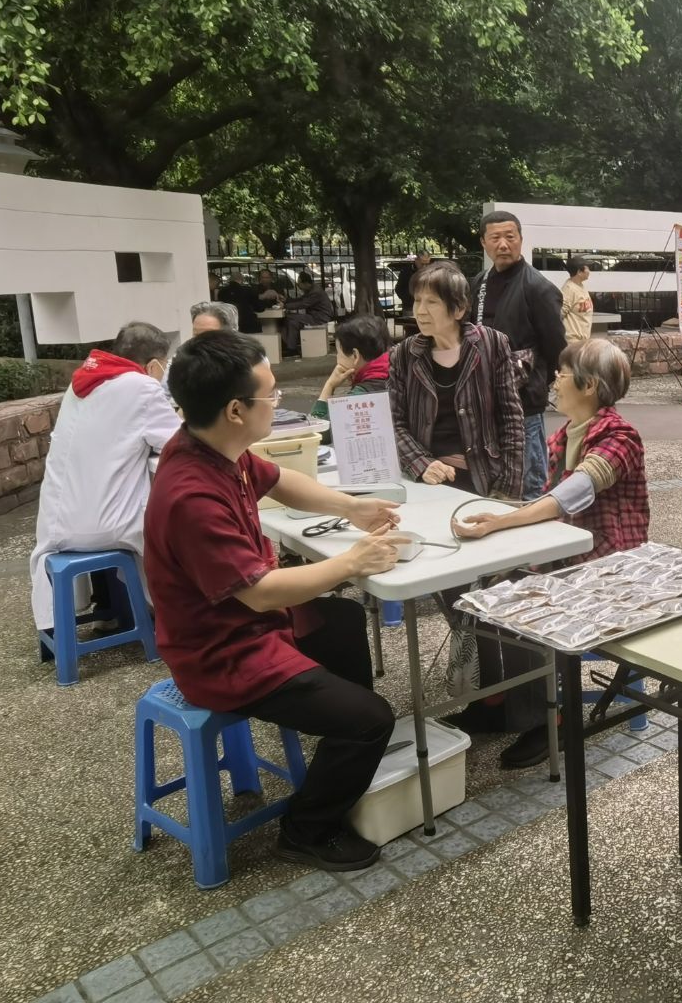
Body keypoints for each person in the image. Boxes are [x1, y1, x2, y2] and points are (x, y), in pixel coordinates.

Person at [147, 330, 406, 871]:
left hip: (249, 625)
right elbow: (260, 594)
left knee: (342, 620)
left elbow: (280, 479)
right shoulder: (191, 494)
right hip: (222, 653)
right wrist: (352, 562)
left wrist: (350, 507)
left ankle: (339, 744)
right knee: (373, 719)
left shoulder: (218, 448)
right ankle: (306, 829)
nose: (278, 401)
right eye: (270, 395)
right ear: (236, 409)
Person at [30, 323, 180, 635]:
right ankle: (180, 622)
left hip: (58, 522)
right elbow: (176, 442)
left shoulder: (82, 382)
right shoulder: (141, 386)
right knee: (178, 530)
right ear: (154, 365)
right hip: (104, 525)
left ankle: (108, 610)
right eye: (164, 366)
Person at [455, 338, 647, 562]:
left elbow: (576, 490)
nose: (554, 384)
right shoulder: (561, 438)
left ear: (589, 386)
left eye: (562, 375)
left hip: (612, 565)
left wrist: (500, 522)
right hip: (570, 555)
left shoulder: (621, 437)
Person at [391, 260, 524, 497]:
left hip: (484, 476)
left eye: (432, 302)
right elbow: (394, 422)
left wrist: (507, 489)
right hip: (427, 479)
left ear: (459, 309)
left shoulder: (492, 343)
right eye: (418, 300)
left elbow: (511, 420)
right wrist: (421, 463)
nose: (420, 310)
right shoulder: (404, 354)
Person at [470, 211, 567, 500]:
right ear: (484, 243)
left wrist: (536, 382)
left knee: (529, 480)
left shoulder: (538, 288)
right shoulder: (478, 284)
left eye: (510, 237)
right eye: (495, 238)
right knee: (494, 478)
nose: (503, 244)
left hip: (523, 402)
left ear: (521, 240)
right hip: (484, 398)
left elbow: (556, 348)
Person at [312, 315, 390, 422]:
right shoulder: (402, 374)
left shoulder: (356, 400)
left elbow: (317, 427)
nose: (337, 359)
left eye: (338, 353)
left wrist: (329, 386)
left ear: (355, 355)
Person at [280, 271, 333, 356]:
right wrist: (287, 300)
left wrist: (285, 306)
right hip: (315, 316)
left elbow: (303, 304)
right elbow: (301, 299)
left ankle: (291, 348)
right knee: (293, 322)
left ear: (305, 283)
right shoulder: (311, 289)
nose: (298, 286)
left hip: (319, 317)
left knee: (290, 317)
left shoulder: (315, 292)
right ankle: (291, 348)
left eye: (299, 283)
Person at [560, 256, 594, 344]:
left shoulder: (581, 286)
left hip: (582, 341)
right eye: (587, 268)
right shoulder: (568, 289)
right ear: (579, 272)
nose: (589, 271)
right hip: (572, 342)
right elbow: (559, 314)